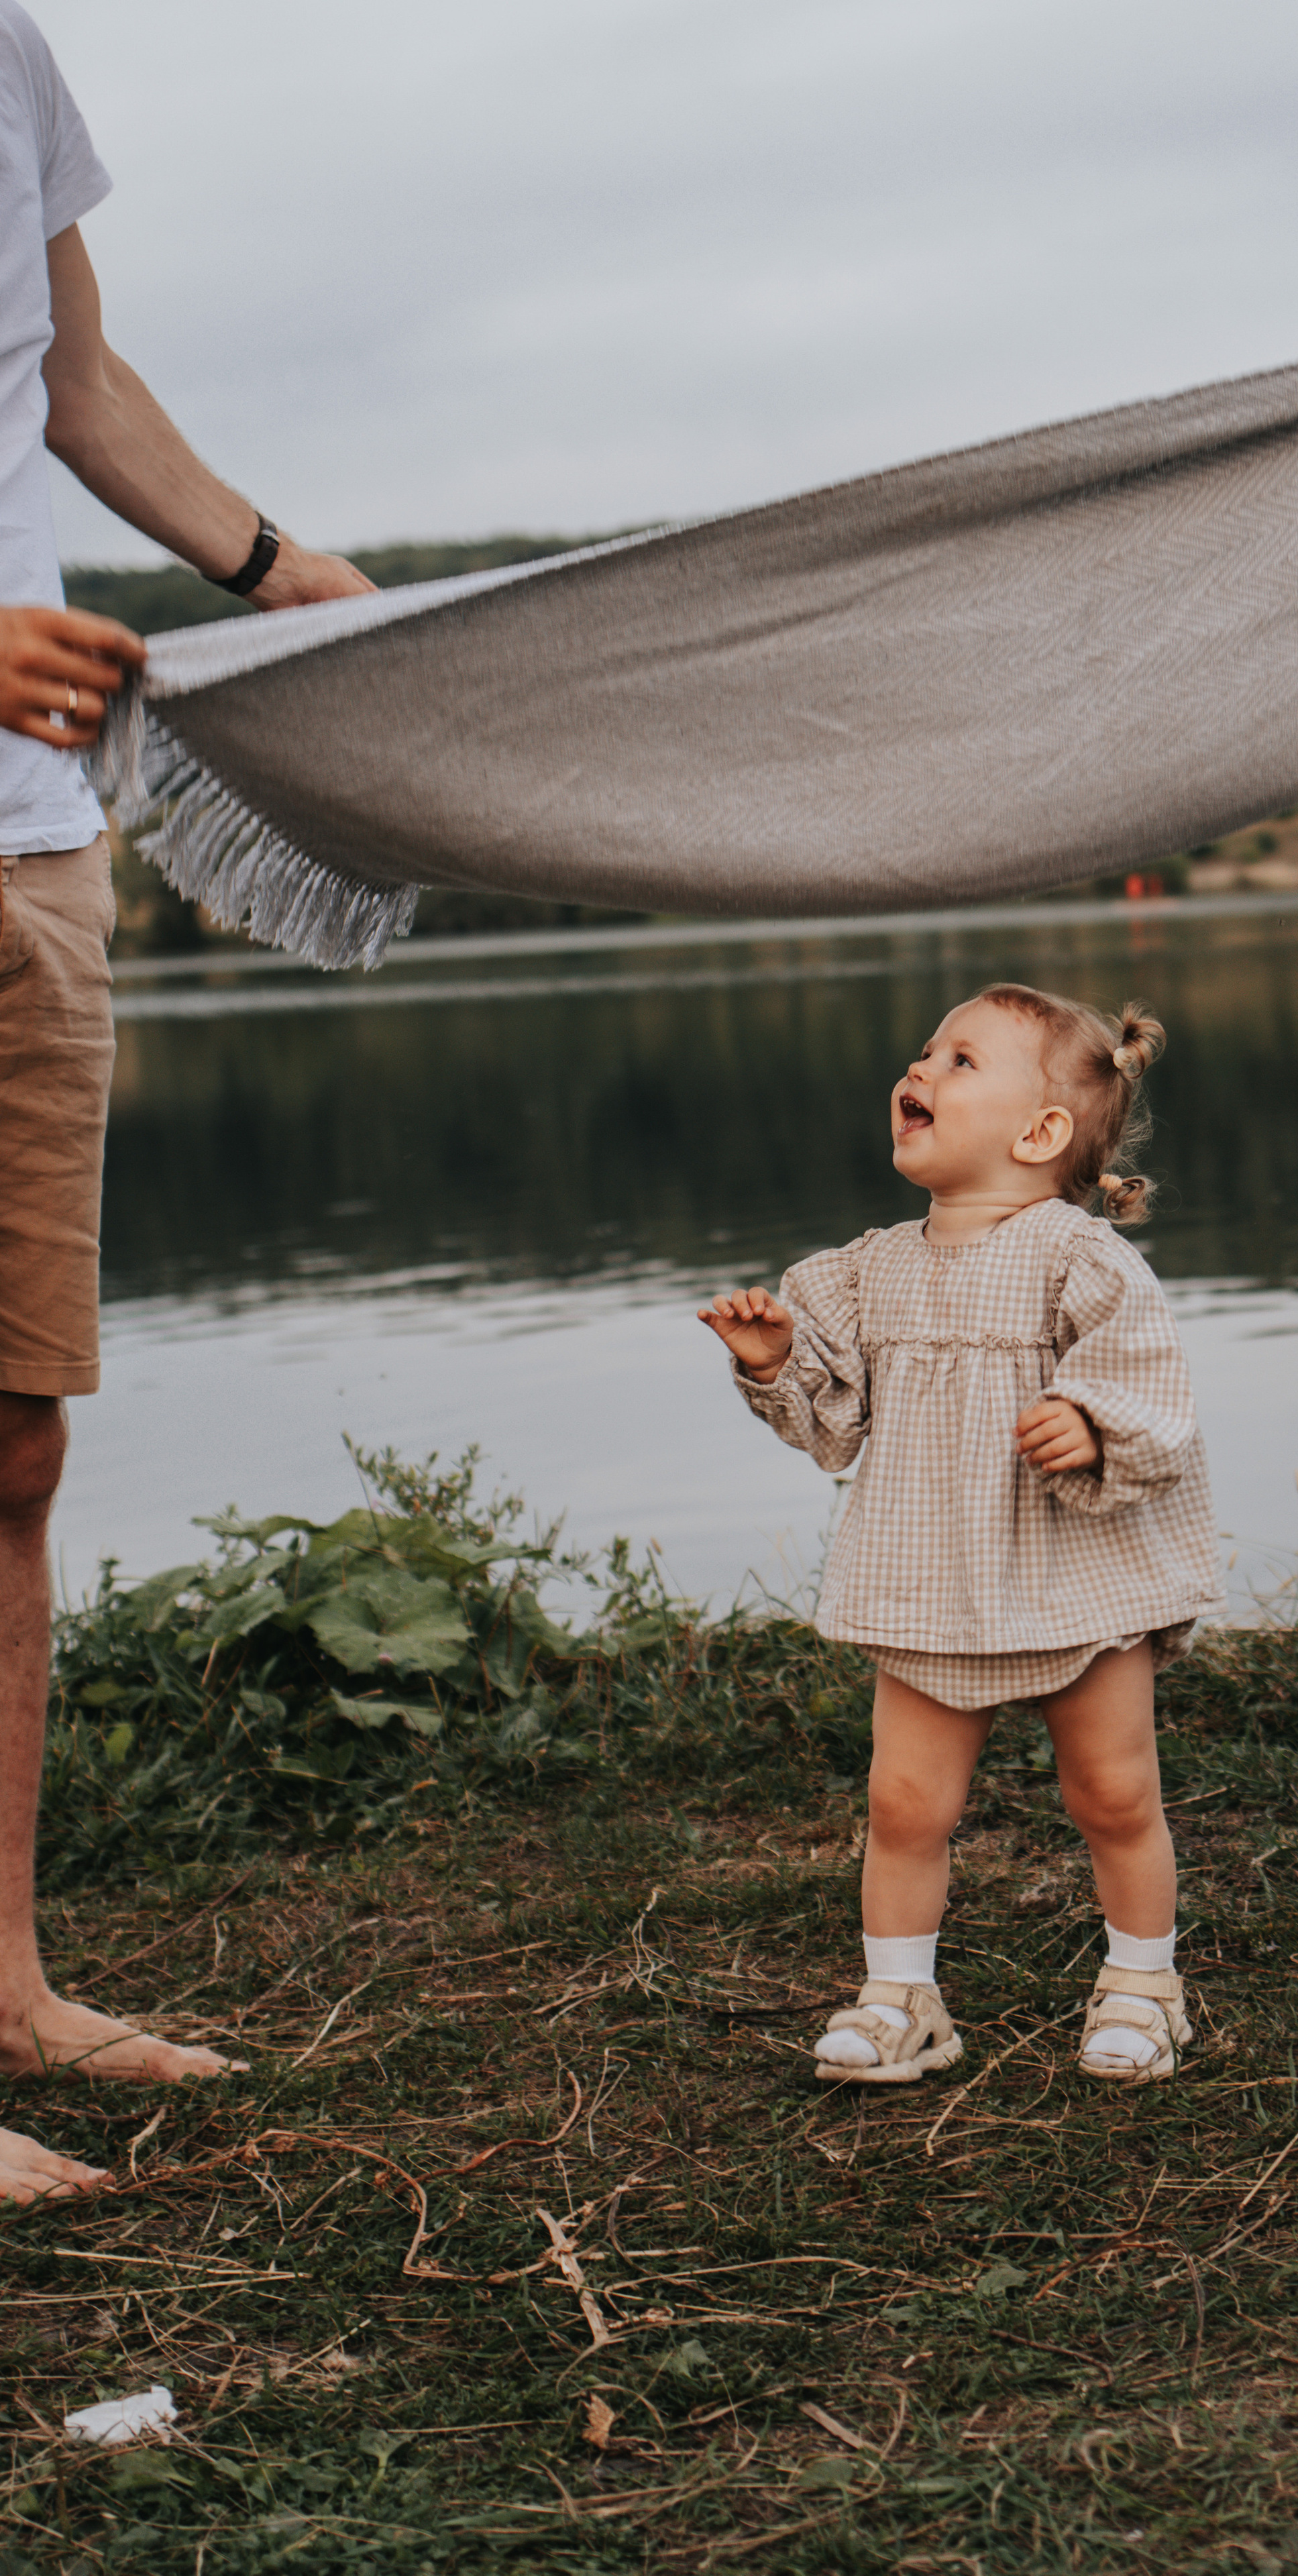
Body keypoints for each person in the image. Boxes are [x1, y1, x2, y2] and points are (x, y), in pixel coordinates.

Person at [0, 0, 370, 2205]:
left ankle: (10, 1987)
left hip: (32, 848)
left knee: (12, 1439)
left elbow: (66, 377)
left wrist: (263, 562)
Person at [699, 983, 1226, 2086]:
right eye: (923, 1052)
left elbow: (1152, 1387)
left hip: (1075, 1575)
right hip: (931, 1574)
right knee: (904, 1804)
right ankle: (900, 1999)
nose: (921, 1071)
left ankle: (1143, 1986)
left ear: (1039, 1135)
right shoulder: (865, 1269)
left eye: (961, 1060)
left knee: (1114, 1793)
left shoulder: (1080, 1261)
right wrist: (772, 1360)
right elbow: (831, 1417)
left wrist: (1088, 1421)